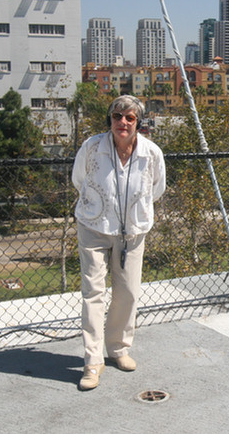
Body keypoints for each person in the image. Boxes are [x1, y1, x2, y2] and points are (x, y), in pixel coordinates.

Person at [71, 95, 166, 390]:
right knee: (93, 293)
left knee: (127, 293)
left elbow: (156, 189)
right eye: (116, 116)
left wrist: (131, 215)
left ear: (138, 122)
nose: (122, 123)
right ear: (109, 119)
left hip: (132, 233)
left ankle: (118, 349)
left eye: (129, 118)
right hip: (94, 227)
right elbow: (79, 179)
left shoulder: (151, 153)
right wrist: (101, 208)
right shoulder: (92, 147)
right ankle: (92, 361)